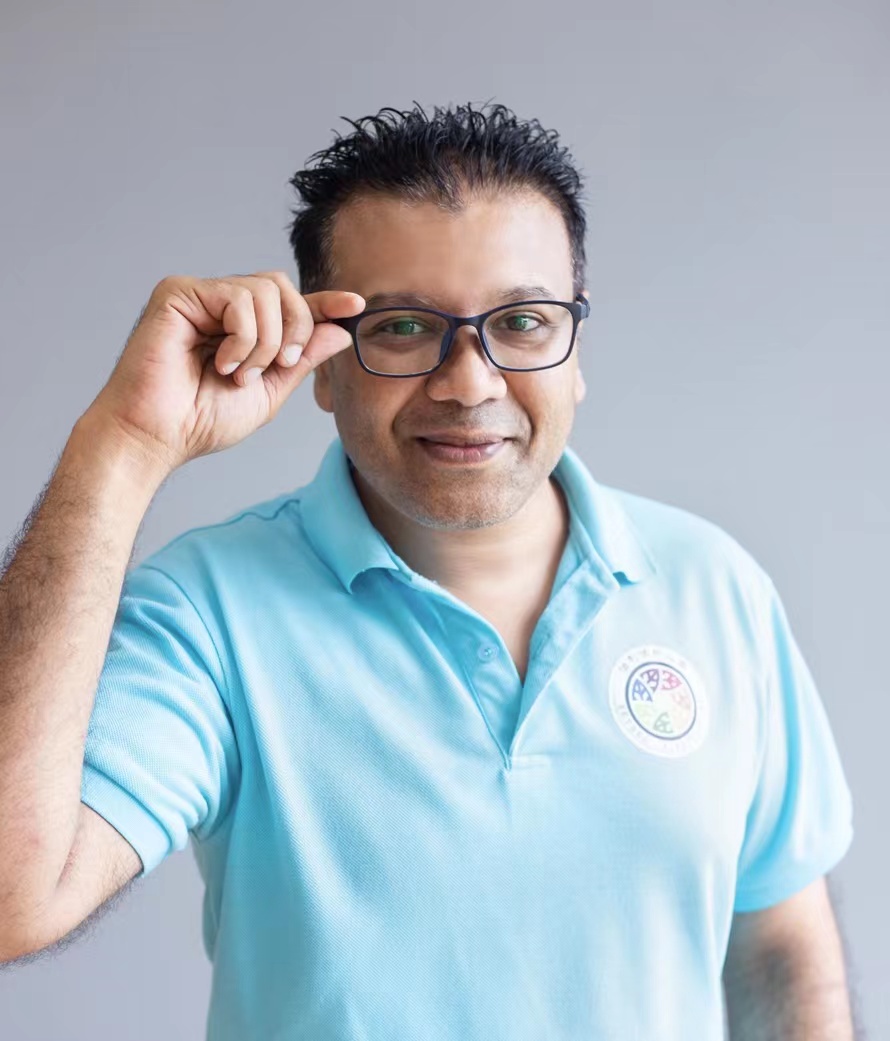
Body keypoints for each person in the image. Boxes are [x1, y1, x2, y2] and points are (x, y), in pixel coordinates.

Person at [0, 101, 858, 1039]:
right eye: (404, 326)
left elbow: (779, 947)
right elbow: (10, 896)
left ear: (576, 349)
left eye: (522, 321)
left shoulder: (714, 587)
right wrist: (124, 445)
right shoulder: (209, 614)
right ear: (320, 364)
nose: (469, 382)